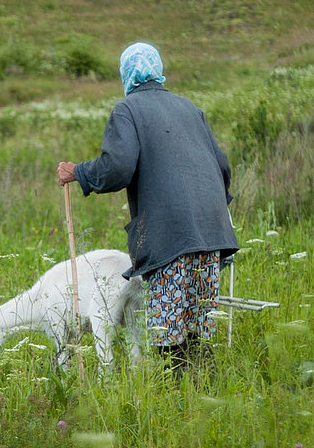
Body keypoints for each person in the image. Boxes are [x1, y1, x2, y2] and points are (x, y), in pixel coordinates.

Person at [57, 42, 238, 375]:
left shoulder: (129, 109)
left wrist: (78, 172)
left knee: (169, 337)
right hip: (212, 235)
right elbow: (223, 166)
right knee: (196, 331)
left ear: (127, 74)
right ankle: (204, 401)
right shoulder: (189, 108)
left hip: (173, 237)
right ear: (157, 69)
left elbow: (118, 167)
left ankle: (181, 409)